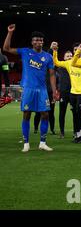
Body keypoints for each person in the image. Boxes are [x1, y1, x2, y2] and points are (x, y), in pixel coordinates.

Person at [3, 24, 57, 152]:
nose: (39, 42)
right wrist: (10, 33)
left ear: (43, 42)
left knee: (45, 115)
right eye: (36, 40)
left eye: (41, 40)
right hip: (28, 89)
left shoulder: (48, 57)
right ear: (32, 42)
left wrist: (54, 90)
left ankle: (42, 143)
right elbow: (6, 48)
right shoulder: (25, 52)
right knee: (26, 114)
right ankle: (26, 143)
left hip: (42, 90)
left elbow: (52, 74)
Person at [51, 42, 81, 143]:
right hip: (72, 92)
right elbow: (57, 62)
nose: (77, 51)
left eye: (79, 49)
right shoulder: (69, 63)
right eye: (75, 49)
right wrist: (55, 51)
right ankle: (76, 135)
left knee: (79, 113)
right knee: (76, 114)